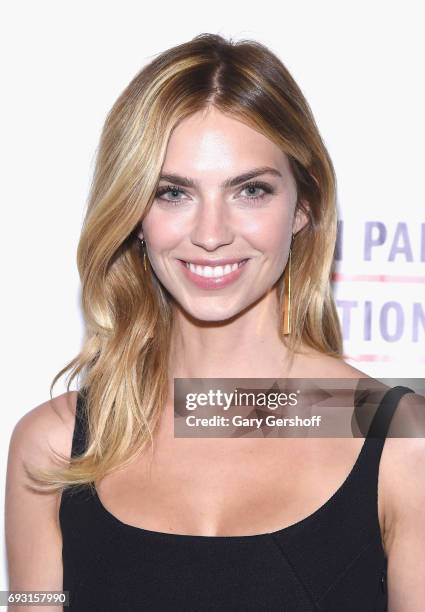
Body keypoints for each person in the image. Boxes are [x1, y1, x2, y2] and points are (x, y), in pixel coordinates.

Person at [5, 32, 425, 611]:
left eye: (250, 190)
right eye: (172, 193)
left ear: (304, 205)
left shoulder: (404, 444)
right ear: (133, 215)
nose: (210, 234)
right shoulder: (52, 449)